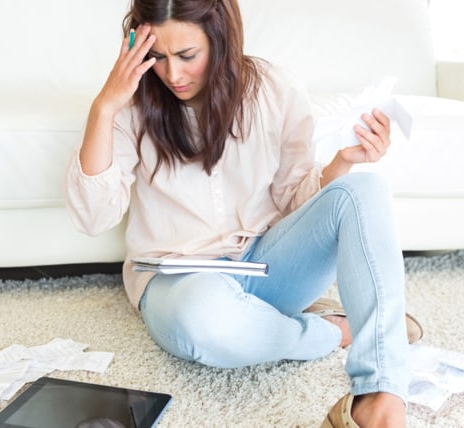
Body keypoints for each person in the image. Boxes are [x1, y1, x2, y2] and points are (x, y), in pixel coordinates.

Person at [65, 1, 422, 426]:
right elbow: (92, 217)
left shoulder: (275, 88)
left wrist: (344, 161)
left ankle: (380, 397)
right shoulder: (131, 101)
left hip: (267, 266)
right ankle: (333, 331)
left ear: (221, 39)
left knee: (363, 188)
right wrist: (104, 107)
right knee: (206, 321)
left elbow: (295, 198)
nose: (173, 75)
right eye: (158, 56)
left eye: (187, 56)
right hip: (179, 284)